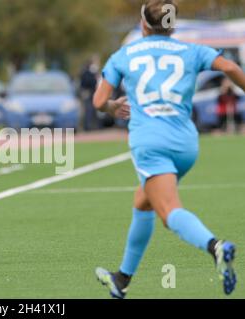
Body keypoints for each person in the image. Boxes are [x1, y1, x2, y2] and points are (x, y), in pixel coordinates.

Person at [93, 0, 245, 298]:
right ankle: (122, 279)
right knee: (143, 202)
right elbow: (228, 66)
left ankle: (216, 248)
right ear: (173, 26)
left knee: (169, 212)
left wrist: (113, 107)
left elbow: (99, 102)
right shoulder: (192, 50)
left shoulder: (124, 54)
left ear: (143, 24)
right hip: (186, 143)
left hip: (151, 143)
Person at [79, 55, 100, 131]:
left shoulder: (90, 72)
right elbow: (87, 82)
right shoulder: (87, 73)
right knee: (89, 110)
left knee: (91, 110)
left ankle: (93, 125)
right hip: (89, 93)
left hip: (92, 93)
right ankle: (88, 126)